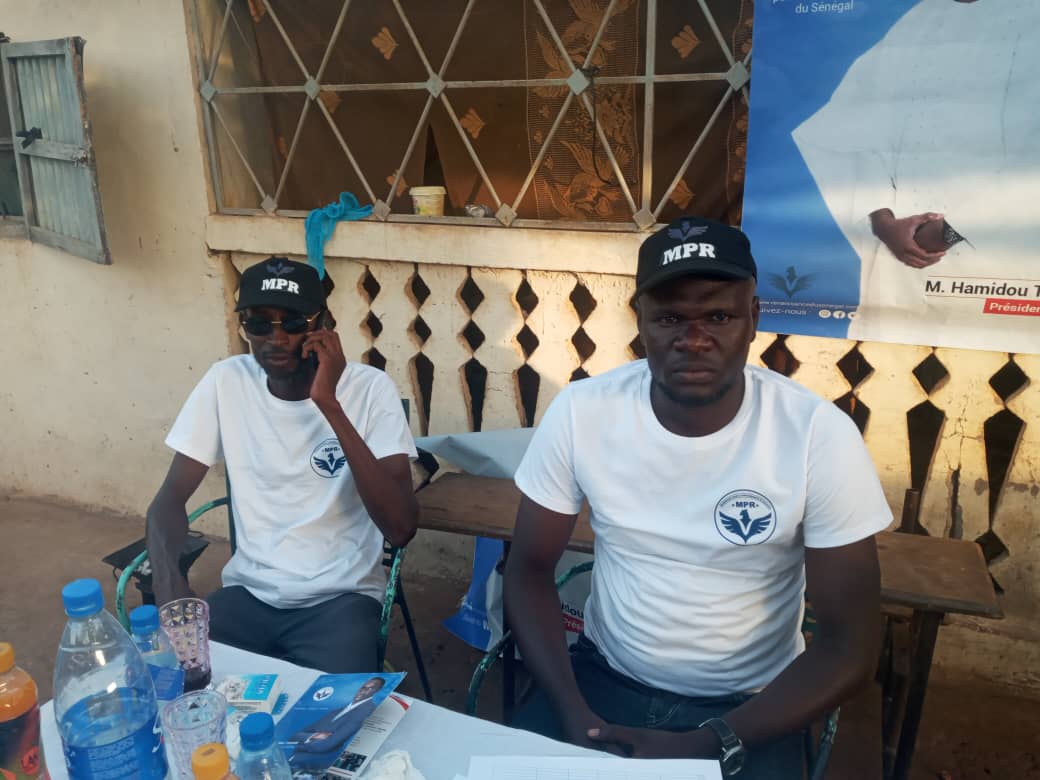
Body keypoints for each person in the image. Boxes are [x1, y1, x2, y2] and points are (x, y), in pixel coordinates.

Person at [504, 217, 892, 778]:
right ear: (640, 322)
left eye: (718, 316)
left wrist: (709, 744)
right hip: (600, 681)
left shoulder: (816, 434)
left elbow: (850, 645)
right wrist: (574, 715)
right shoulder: (583, 412)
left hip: (752, 709)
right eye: (669, 318)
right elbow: (528, 569)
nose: (693, 340)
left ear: (753, 319)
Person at [146, 257, 418, 674]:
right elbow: (167, 501)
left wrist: (328, 402)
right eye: (258, 324)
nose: (275, 338)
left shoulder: (369, 390)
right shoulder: (226, 381)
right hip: (248, 595)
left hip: (340, 600)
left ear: (324, 324)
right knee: (185, 690)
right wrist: (171, 588)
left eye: (293, 323)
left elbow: (400, 528)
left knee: (333, 711)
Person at [792, 0, 1040, 353]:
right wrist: (883, 220)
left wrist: (945, 232)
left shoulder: (1031, 15)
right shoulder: (923, 16)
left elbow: (1031, 158)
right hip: (899, 264)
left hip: (992, 265)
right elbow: (854, 126)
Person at [289, 677, 387, 769]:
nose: (363, 691)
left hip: (319, 765)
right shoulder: (336, 711)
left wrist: (296, 746)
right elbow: (295, 735)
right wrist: (315, 735)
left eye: (369, 689)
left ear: (376, 691)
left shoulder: (366, 711)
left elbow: (326, 745)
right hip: (297, 761)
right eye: (363, 687)